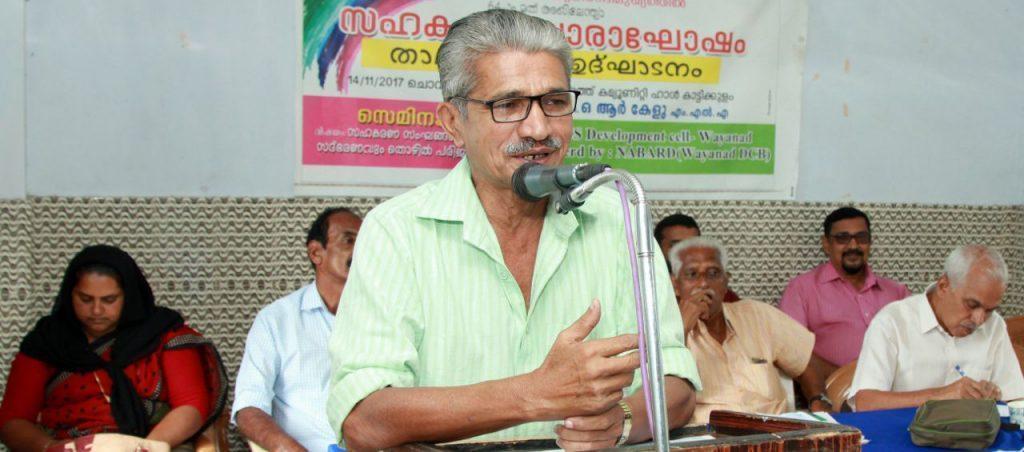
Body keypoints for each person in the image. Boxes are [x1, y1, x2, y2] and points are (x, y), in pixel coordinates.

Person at [327, 9, 700, 451]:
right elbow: (364, 420)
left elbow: (676, 385)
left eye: (554, 102)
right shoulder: (397, 231)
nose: (539, 128)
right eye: (508, 105)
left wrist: (621, 420)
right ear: (453, 123)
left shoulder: (617, 218)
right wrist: (535, 393)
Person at [0, 245, 226, 451]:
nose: (96, 310)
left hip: (155, 443)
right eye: (85, 299)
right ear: (70, 295)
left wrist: (143, 448)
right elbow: (13, 420)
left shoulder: (164, 334)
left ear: (129, 296)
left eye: (109, 300)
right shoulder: (47, 342)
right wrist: (52, 448)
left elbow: (190, 406)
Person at [232, 207, 362, 452]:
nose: (361, 249)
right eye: (349, 240)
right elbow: (249, 408)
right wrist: (289, 449)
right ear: (316, 253)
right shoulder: (276, 320)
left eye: (365, 240)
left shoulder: (384, 317)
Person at [669, 238, 832, 423]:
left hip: (774, 429)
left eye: (713, 273)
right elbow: (656, 394)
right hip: (707, 434)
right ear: (675, 285)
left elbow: (806, 363)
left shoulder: (757, 314)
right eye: (692, 274)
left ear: (726, 281)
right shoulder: (663, 330)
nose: (704, 283)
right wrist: (682, 327)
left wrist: (818, 399)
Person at [849, 244, 1024, 411]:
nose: (979, 320)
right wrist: (942, 395)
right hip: (903, 430)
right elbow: (865, 402)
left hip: (973, 432)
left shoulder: (994, 326)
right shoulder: (892, 322)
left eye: (989, 310)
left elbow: (1016, 399)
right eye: (972, 305)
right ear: (943, 286)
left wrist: (995, 394)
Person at [779, 207, 910, 374]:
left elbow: (918, 342)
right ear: (826, 244)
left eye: (861, 237)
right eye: (843, 238)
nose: (853, 245)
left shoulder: (897, 292)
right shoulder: (802, 289)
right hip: (832, 387)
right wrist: (845, 380)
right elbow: (790, 350)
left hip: (897, 386)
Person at [655, 213, 739, 302]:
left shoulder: (721, 295)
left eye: (692, 245)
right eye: (676, 245)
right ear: (657, 249)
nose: (685, 253)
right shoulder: (647, 295)